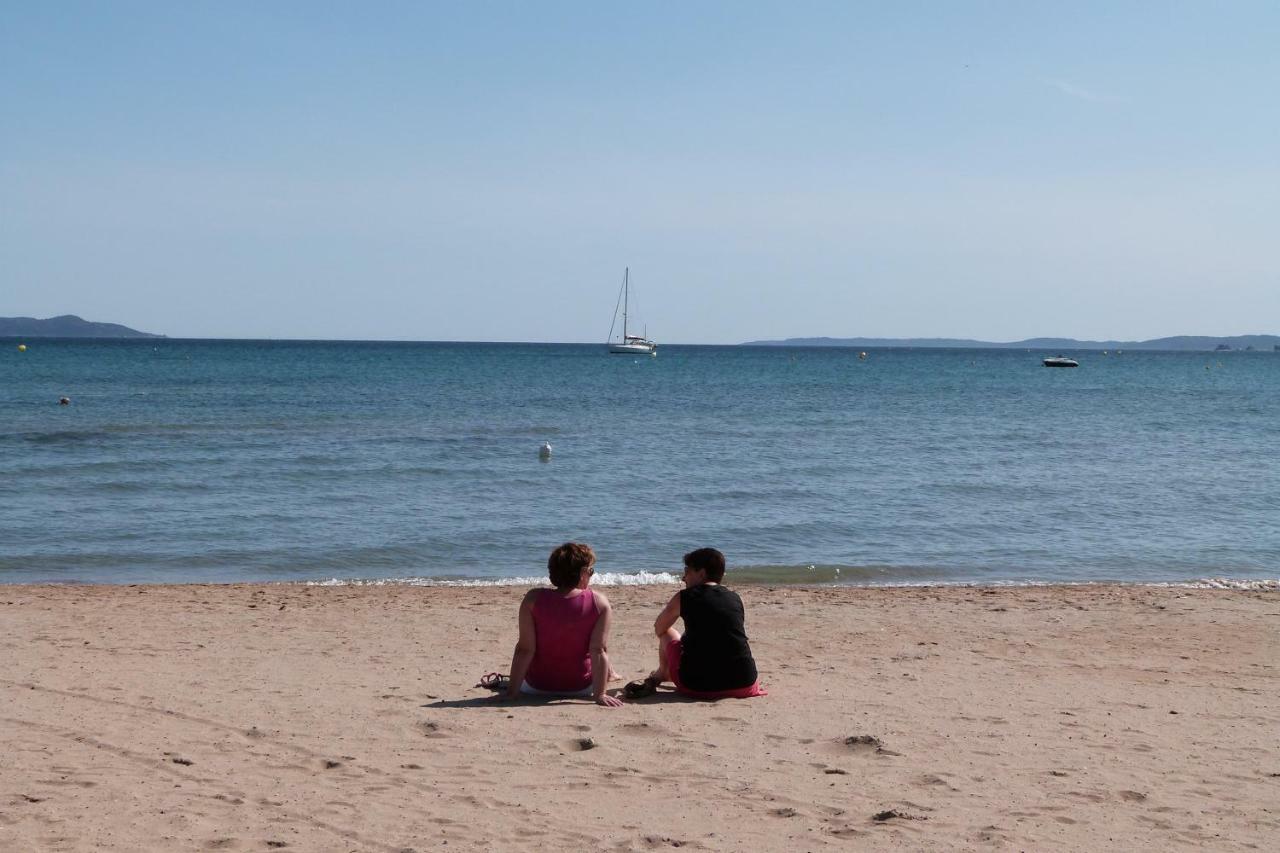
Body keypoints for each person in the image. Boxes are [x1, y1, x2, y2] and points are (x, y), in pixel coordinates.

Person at [626, 547, 766, 700]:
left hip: (697, 686)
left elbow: (659, 627)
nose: (683, 578)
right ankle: (662, 673)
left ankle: (663, 672)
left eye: (687, 571)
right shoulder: (735, 598)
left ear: (701, 573)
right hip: (744, 684)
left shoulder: (684, 597)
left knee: (667, 632)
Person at [497, 542, 623, 707]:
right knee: (600, 649)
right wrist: (600, 695)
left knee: (523, 645)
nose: (592, 576)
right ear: (582, 573)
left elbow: (525, 650)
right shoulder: (599, 603)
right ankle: (611, 673)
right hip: (582, 688)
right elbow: (598, 651)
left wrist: (512, 693)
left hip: (535, 687)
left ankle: (611, 672)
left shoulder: (532, 600)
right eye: (591, 571)